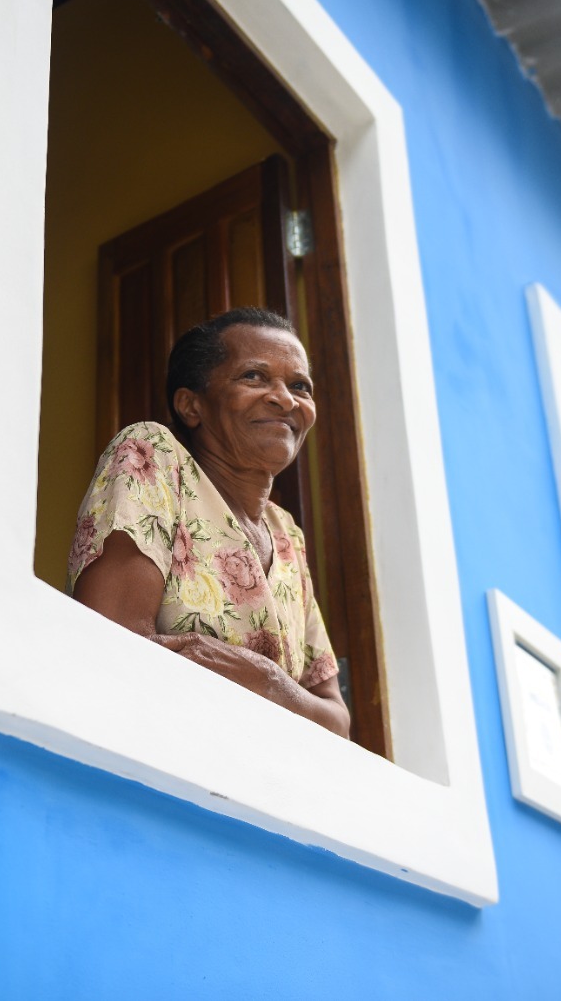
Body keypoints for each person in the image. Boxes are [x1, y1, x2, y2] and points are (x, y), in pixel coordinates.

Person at [68, 308, 350, 738]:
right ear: (191, 405)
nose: (286, 399)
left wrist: (270, 684)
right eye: (254, 377)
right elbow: (114, 650)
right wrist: (291, 705)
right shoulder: (154, 456)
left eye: (299, 386)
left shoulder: (286, 533)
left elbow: (338, 722)